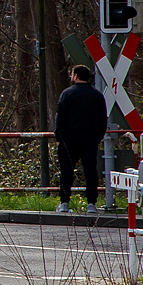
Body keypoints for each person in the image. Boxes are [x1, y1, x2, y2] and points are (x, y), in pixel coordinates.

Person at [54, 64, 108, 214]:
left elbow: (60, 116)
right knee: (90, 171)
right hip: (90, 137)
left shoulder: (67, 94)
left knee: (67, 171)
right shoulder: (97, 95)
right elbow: (102, 119)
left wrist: (58, 136)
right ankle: (91, 203)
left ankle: (64, 202)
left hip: (69, 138)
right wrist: (98, 136)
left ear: (76, 76)